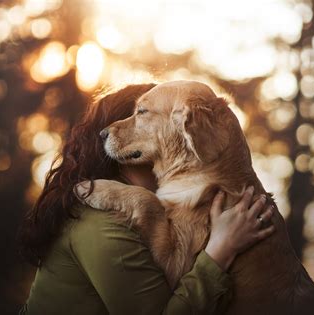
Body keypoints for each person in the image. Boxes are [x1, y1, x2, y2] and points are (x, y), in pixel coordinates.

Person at [18, 84, 275, 315]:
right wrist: (221, 250)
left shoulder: (183, 207)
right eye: (139, 112)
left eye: (142, 114)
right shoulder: (100, 223)